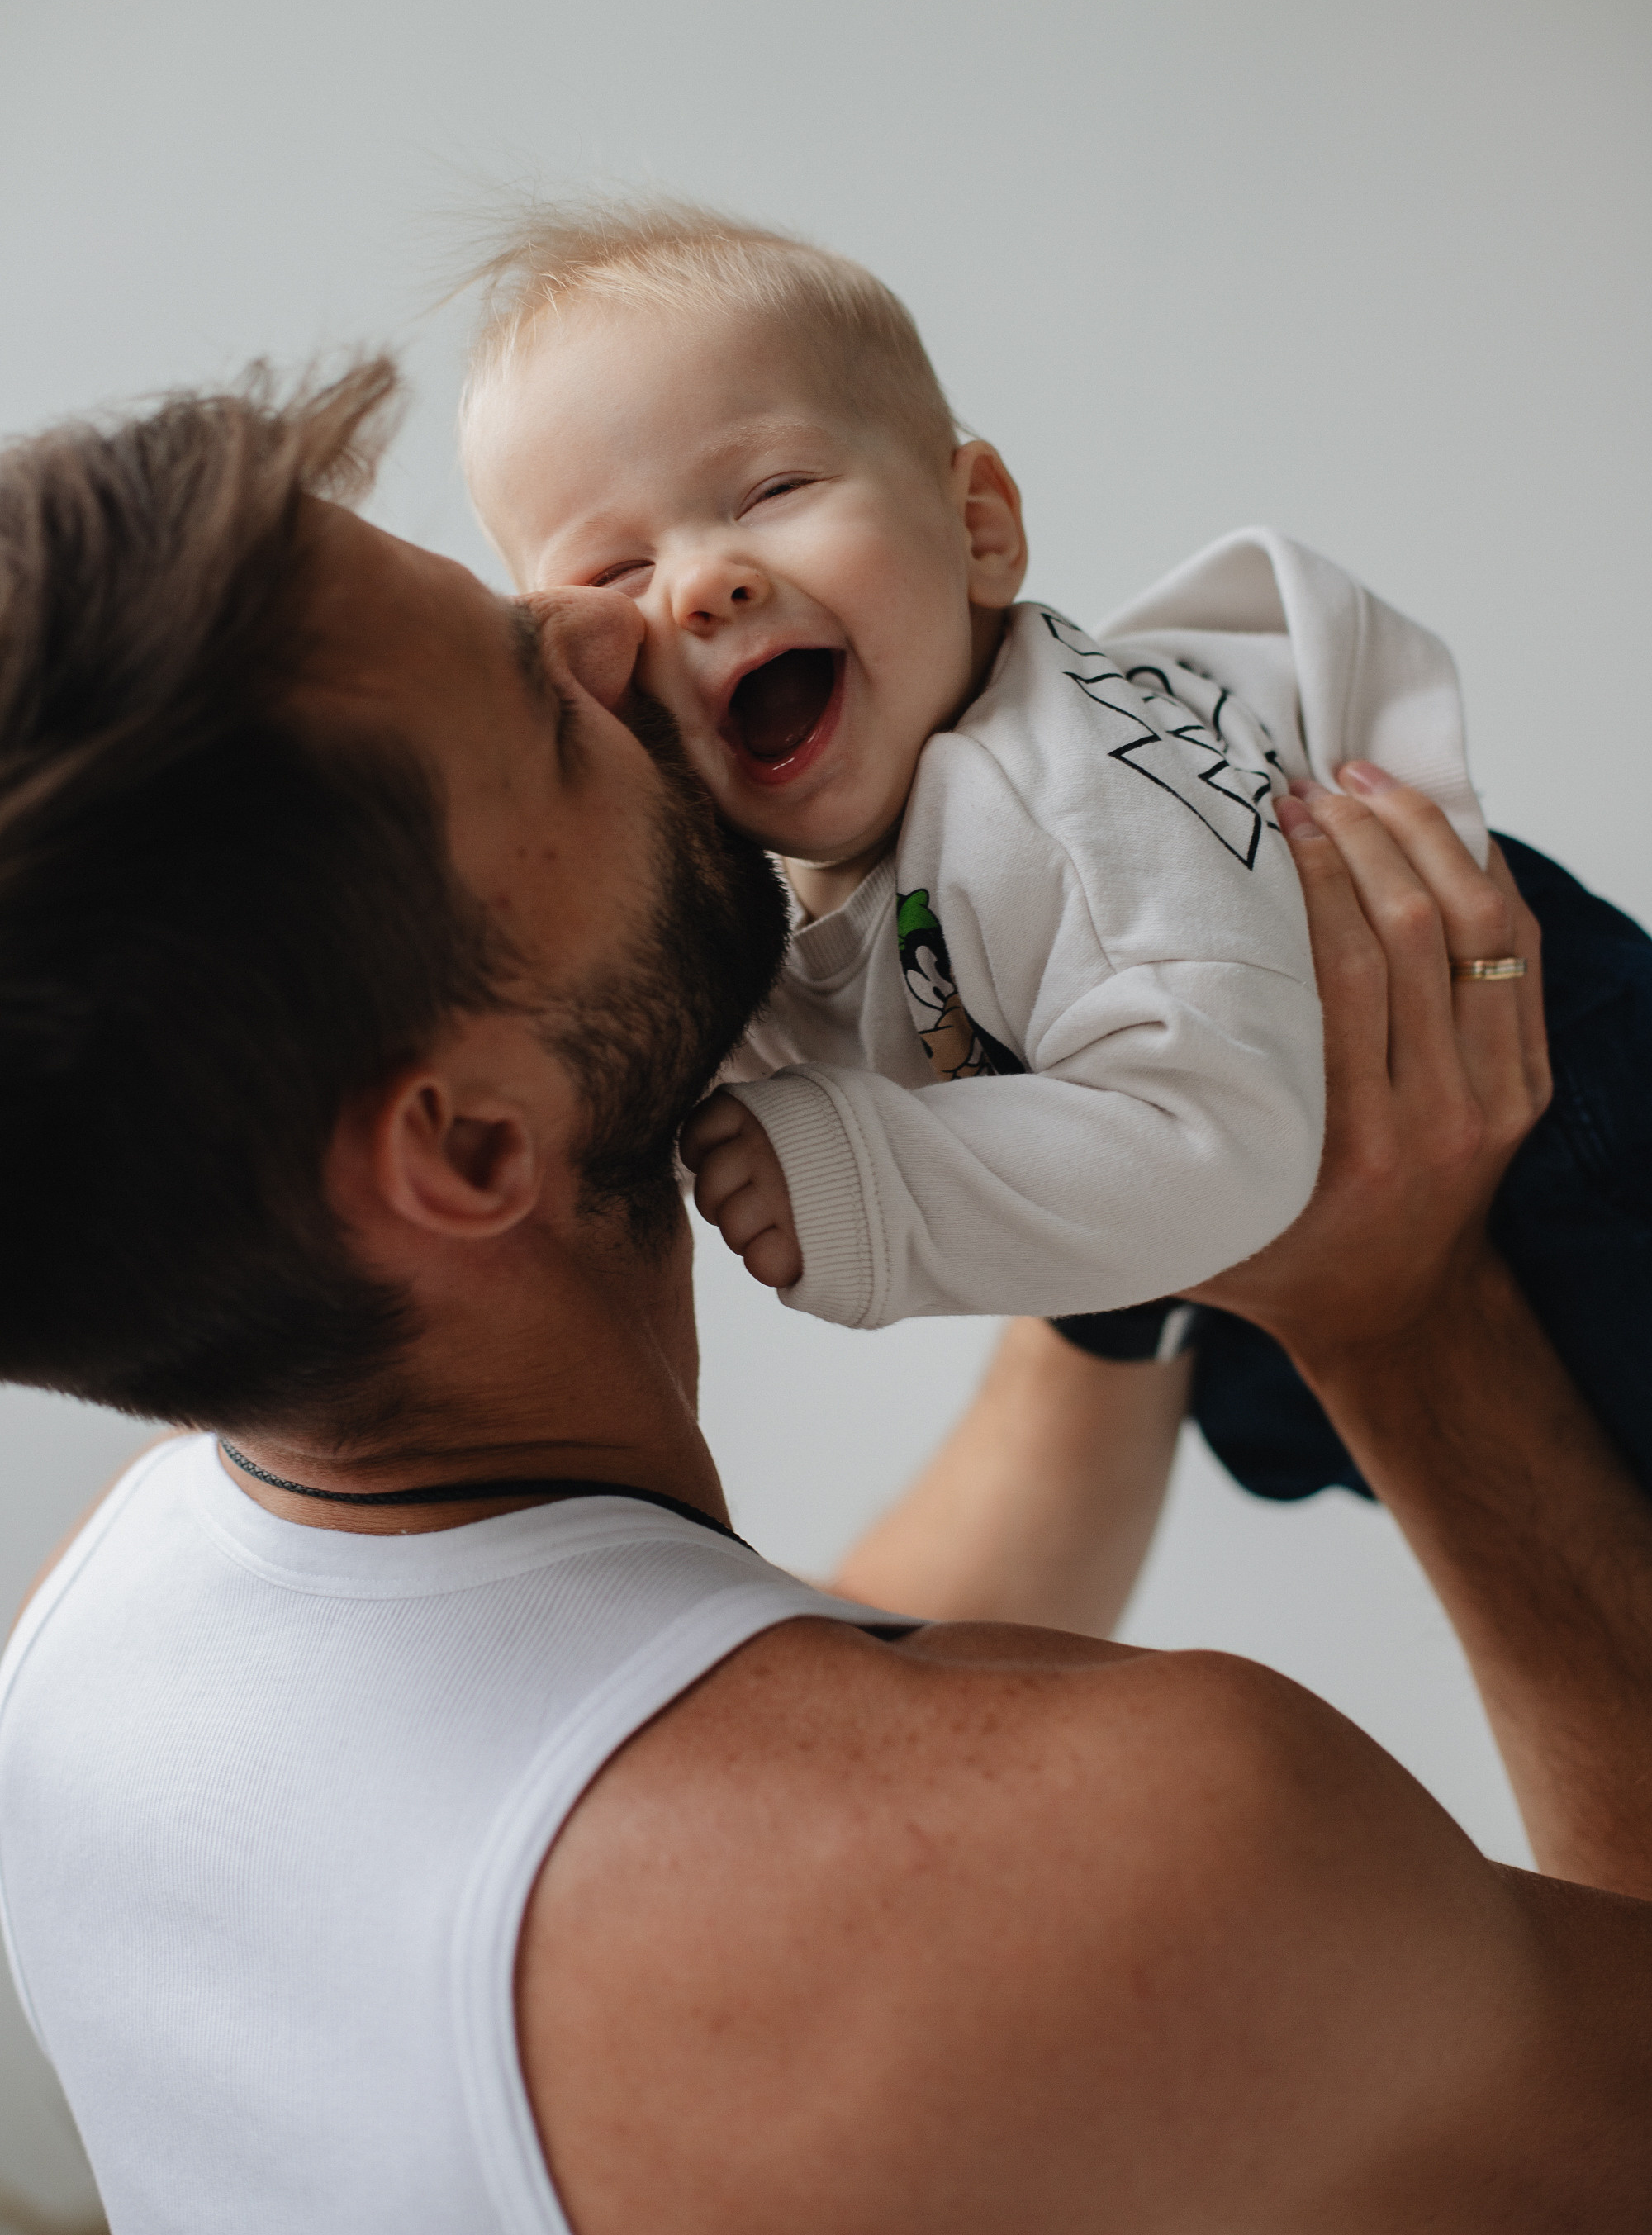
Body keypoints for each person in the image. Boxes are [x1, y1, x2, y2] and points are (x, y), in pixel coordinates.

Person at [1, 370, 1650, 2233]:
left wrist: (1113, 1145)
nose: (607, 624)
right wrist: (1402, 1328)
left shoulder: (97, 1642)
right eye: (534, 704)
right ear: (465, 1148)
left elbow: (785, 1700)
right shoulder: (1140, 1868)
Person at [463, 199, 1652, 1516]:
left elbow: (1220, 1142)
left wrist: (876, 1181)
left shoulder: (1047, 798)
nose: (701, 583)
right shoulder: (817, 849)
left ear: (978, 526)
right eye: (617, 570)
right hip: (1281, 1224)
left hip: (1564, 1119)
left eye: (776, 491)